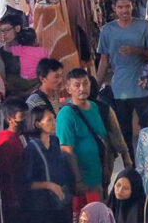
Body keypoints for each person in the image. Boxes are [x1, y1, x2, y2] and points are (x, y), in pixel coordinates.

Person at [96, 0, 148, 158]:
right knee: (123, 131)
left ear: (133, 6)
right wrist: (95, 85)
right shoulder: (107, 30)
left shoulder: (145, 26)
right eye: (120, 7)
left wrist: (136, 51)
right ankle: (130, 163)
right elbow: (103, 60)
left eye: (127, 6)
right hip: (119, 89)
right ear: (114, 8)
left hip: (142, 87)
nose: (124, 11)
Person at [56, 69, 107, 214]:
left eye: (85, 83)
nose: (82, 88)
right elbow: (66, 151)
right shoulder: (66, 114)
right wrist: (78, 180)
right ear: (68, 88)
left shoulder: (95, 107)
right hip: (81, 182)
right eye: (77, 85)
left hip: (97, 175)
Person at [23, 105, 74, 223]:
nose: (54, 123)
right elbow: (26, 182)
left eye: (54, 119)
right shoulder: (32, 148)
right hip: (42, 207)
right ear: (38, 124)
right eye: (49, 120)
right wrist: (49, 185)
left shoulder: (55, 141)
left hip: (61, 202)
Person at [0, 14, 40, 97]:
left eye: (7, 30)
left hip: (36, 94)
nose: (3, 34)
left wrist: (33, 91)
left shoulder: (29, 47)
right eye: (1, 31)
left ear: (17, 28)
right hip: (13, 98)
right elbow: (1, 82)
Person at [0, 97, 29, 223]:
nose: (26, 120)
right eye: (22, 117)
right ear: (10, 119)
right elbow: (7, 174)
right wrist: (14, 199)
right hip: (13, 200)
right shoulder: (6, 142)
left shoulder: (19, 136)